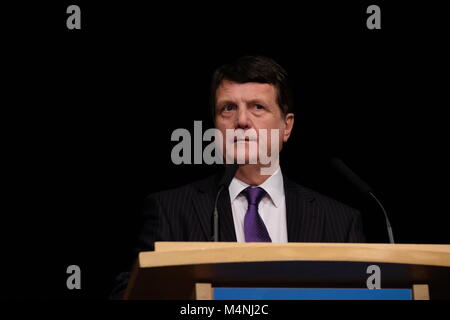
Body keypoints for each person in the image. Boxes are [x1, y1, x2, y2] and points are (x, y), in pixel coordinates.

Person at [110, 55, 365, 299]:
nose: (241, 121)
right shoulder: (168, 210)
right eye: (228, 108)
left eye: (257, 107)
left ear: (286, 126)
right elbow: (129, 293)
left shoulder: (340, 222)